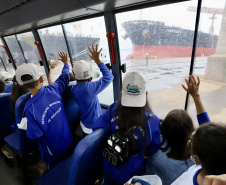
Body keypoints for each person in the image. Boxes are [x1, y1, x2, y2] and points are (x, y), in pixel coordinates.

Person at [92, 71, 161, 185]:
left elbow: (97, 127)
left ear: (123, 94)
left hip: (110, 164)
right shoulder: (152, 121)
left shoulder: (114, 108)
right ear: (145, 94)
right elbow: (153, 148)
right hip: (132, 172)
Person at [15, 51, 72, 169]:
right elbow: (64, 76)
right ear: (41, 78)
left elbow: (34, 135)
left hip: (52, 151)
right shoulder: (54, 90)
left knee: (55, 173)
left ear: (21, 85)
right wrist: (66, 64)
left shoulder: (29, 109)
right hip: (68, 140)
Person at [160, 75, 210, 161]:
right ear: (191, 132)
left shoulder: (155, 152)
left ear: (164, 130)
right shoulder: (198, 160)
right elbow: (208, 132)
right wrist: (196, 96)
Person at [71, 44, 114, 135]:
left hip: (84, 123)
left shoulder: (74, 88)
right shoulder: (89, 89)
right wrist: (97, 60)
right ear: (90, 78)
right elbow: (109, 77)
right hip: (93, 127)